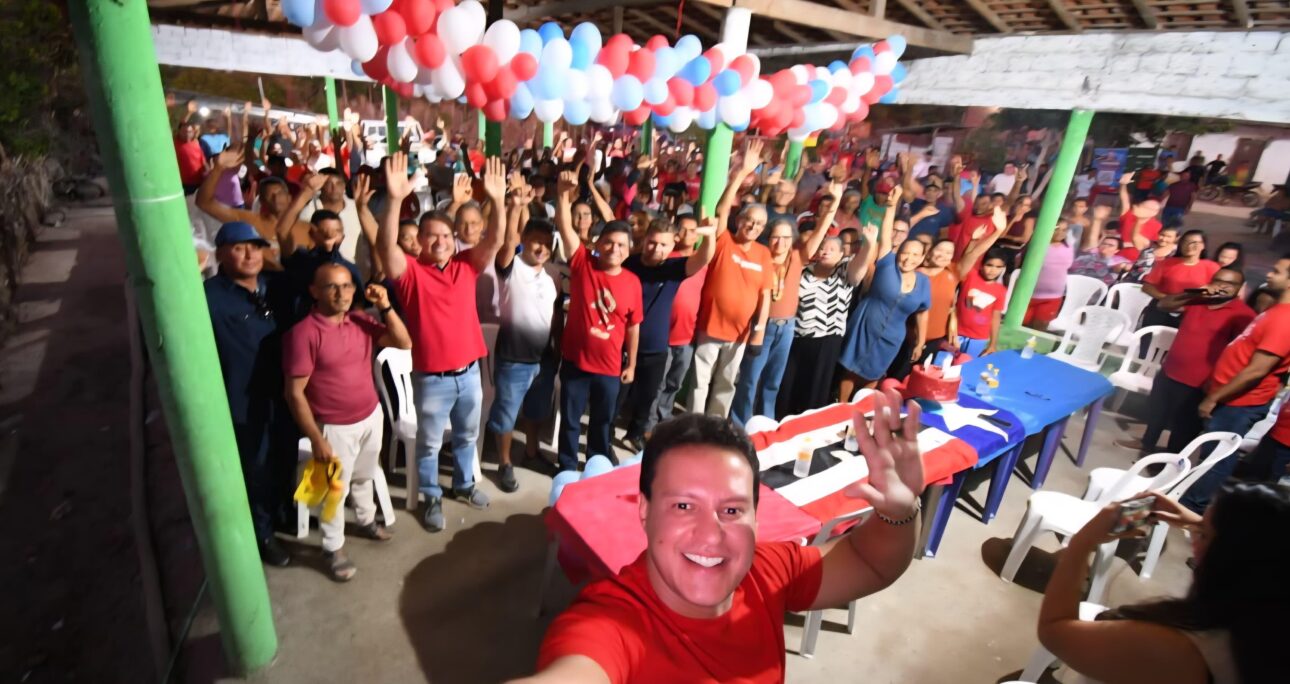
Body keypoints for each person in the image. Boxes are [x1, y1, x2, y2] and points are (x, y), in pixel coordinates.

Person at [515, 390, 927, 684]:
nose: (710, 534)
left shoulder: (767, 572)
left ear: (755, 518)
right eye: (683, 506)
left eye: (731, 510)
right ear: (645, 511)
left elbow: (869, 562)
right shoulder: (610, 623)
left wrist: (898, 512)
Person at [1037, 483, 1290, 684]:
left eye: (1203, 534)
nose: (1195, 539)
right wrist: (1194, 522)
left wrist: (1083, 541)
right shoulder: (1264, 630)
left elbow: (1053, 631)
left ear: (1231, 559)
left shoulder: (1176, 648)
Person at [379, 152, 507, 532]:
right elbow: (387, 249)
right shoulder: (410, 274)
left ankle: (465, 485)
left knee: (468, 436)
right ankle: (432, 495)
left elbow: (497, 238)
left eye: (446, 235)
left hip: (469, 374)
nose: (440, 241)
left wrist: (497, 201)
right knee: (430, 445)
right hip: (431, 378)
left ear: (455, 241)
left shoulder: (466, 265)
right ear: (418, 241)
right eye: (431, 235)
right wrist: (394, 200)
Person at [282, 266, 410, 580]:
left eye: (347, 286)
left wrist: (385, 306)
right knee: (331, 492)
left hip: (370, 415)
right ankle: (332, 547)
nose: (342, 293)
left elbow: (404, 342)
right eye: (332, 287)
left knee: (365, 476)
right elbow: (294, 393)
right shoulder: (303, 333)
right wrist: (316, 437)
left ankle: (366, 521)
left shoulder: (360, 320)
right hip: (333, 427)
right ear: (314, 291)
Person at [204, 222, 297, 566]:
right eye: (239, 248)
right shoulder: (209, 298)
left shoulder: (273, 288)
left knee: (284, 456)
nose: (249, 254)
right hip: (244, 400)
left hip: (283, 395)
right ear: (221, 254)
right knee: (256, 468)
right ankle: (263, 533)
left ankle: (284, 512)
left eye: (255, 247)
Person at [1181, 255, 1290, 512]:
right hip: (1231, 396)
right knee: (1212, 453)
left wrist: (1214, 397)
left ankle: (1193, 507)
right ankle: (1194, 500)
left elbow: (1257, 369)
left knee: (1218, 457)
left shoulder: (1285, 320)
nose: (1269, 275)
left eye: (1276, 271)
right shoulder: (1276, 311)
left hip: (1240, 402)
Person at [732, 182, 843, 426]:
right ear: (767, 238)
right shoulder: (759, 257)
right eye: (775, 237)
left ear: (791, 239)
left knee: (773, 381)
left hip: (788, 327)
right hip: (762, 326)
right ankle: (741, 426)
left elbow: (820, 231)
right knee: (750, 379)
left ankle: (766, 425)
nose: (780, 243)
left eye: (785, 238)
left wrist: (833, 204)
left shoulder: (797, 256)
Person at [554, 171, 643, 471]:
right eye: (609, 243)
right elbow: (565, 227)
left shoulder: (632, 282)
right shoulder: (582, 263)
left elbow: (633, 325)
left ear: (629, 250)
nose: (614, 249)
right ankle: (566, 466)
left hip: (609, 367)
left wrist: (630, 364)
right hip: (575, 363)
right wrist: (563, 194)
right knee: (570, 420)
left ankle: (595, 466)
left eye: (621, 245)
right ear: (597, 243)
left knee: (602, 423)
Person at [1115, 268, 1253, 455]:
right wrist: (1193, 293)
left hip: (1199, 381)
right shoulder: (1197, 300)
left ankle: (1170, 462)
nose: (1222, 286)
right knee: (1157, 412)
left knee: (1183, 427)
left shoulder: (1242, 314)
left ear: (1240, 288)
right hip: (1170, 369)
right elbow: (1163, 305)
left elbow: (1240, 352)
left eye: (1230, 284)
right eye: (1218, 280)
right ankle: (1147, 443)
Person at [690, 141, 775, 418]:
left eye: (759, 224)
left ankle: (714, 427)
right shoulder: (724, 239)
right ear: (740, 220)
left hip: (740, 334)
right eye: (749, 220)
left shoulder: (764, 254)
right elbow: (722, 208)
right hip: (710, 326)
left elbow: (764, 297)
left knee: (726, 385)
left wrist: (759, 333)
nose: (753, 227)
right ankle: (693, 423)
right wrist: (741, 173)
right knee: (700, 383)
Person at [484, 177, 559, 493]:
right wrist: (515, 207)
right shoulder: (511, 267)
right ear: (524, 242)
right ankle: (505, 463)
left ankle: (530, 451)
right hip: (513, 359)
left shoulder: (551, 278)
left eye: (546, 241)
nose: (540, 247)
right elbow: (505, 243)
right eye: (534, 241)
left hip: (543, 359)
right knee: (505, 413)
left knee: (535, 411)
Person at [618, 217, 716, 451]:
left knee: (647, 398)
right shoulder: (628, 264)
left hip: (657, 346)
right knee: (616, 399)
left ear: (673, 245)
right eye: (652, 243)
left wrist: (710, 235)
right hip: (623, 345)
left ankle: (636, 434)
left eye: (663, 245)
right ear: (645, 240)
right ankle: (604, 437)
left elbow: (703, 258)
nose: (656, 249)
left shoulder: (674, 268)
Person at [838, 186, 931, 401]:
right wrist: (891, 206)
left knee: (875, 373)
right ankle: (841, 407)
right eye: (906, 253)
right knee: (851, 370)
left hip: (893, 335)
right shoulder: (887, 263)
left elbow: (922, 312)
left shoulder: (924, 282)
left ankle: (861, 408)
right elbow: (887, 234)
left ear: (923, 257)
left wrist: (920, 342)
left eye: (915, 255)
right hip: (866, 324)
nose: (909, 258)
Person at [779, 223, 879, 416]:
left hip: (827, 340)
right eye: (823, 248)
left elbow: (861, 266)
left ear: (842, 254)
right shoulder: (804, 271)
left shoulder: (844, 272)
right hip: (797, 337)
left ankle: (809, 424)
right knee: (789, 384)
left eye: (832, 249)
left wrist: (869, 244)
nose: (825, 252)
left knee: (816, 387)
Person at [275, 172, 370, 321]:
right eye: (324, 231)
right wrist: (306, 192)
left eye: (336, 232)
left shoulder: (350, 269)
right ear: (312, 234)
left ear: (343, 236)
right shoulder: (301, 260)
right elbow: (282, 231)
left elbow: (358, 307)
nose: (330, 236)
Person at [1139, 230, 1218, 330]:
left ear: (1203, 246)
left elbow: (1217, 291)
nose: (1189, 245)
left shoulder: (1211, 267)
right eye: (1185, 241)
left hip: (1191, 315)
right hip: (1161, 310)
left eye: (1194, 242)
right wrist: (1168, 299)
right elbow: (1147, 287)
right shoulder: (1166, 263)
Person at [953, 224, 1011, 357]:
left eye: (998, 267)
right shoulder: (971, 276)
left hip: (979, 338)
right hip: (956, 332)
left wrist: (992, 344)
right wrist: (973, 241)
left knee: (967, 366)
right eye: (989, 265)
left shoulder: (1000, 290)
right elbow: (967, 259)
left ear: (1003, 268)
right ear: (982, 265)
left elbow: (995, 317)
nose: (993, 270)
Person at [1022, 219, 1077, 331]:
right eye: (1057, 229)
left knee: (1039, 329)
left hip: (1053, 296)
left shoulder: (1069, 247)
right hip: (1029, 294)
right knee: (1021, 325)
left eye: (1064, 229)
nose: (1060, 232)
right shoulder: (1038, 244)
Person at [1070, 206, 1132, 286]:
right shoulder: (1093, 252)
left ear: (1117, 250)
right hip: (1074, 284)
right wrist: (1097, 220)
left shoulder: (1118, 260)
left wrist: (1123, 267)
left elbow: (1121, 267)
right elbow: (1092, 238)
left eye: (1110, 245)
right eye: (1104, 243)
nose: (1106, 246)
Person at [1116, 173, 1164, 262]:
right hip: (1118, 255)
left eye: (1151, 209)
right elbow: (1124, 199)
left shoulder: (1157, 225)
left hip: (1139, 260)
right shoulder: (1128, 214)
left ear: (1155, 213)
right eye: (1143, 206)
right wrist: (1123, 184)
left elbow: (1154, 244)